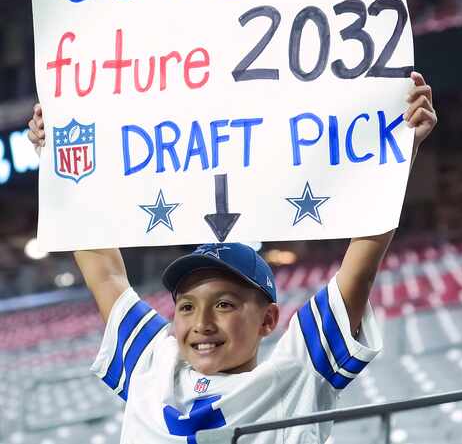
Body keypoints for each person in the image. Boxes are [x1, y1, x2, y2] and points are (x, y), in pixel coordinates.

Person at [26, 72, 437, 444]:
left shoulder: (297, 376)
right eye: (186, 307)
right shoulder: (154, 361)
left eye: (224, 304)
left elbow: (360, 265)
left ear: (269, 320)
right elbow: (105, 270)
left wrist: (399, 154)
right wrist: (58, 158)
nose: (201, 324)